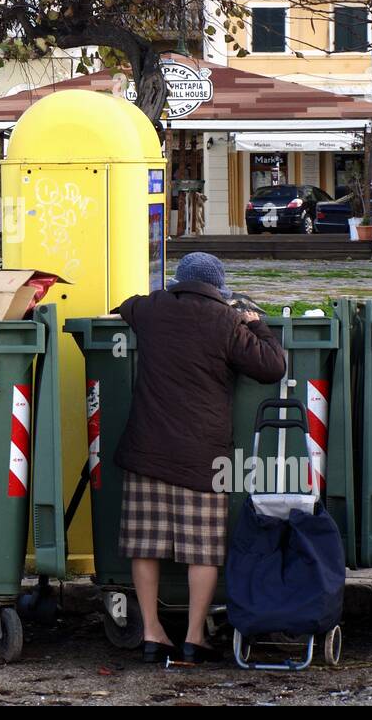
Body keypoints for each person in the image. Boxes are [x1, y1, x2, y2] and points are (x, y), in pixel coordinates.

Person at [114, 252, 286, 664]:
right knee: (202, 551)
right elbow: (273, 366)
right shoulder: (226, 322)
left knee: (145, 545)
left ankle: (153, 633)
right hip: (201, 458)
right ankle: (194, 637)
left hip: (146, 452)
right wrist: (254, 323)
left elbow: (123, 307)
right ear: (218, 290)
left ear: (178, 282)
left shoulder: (150, 308)